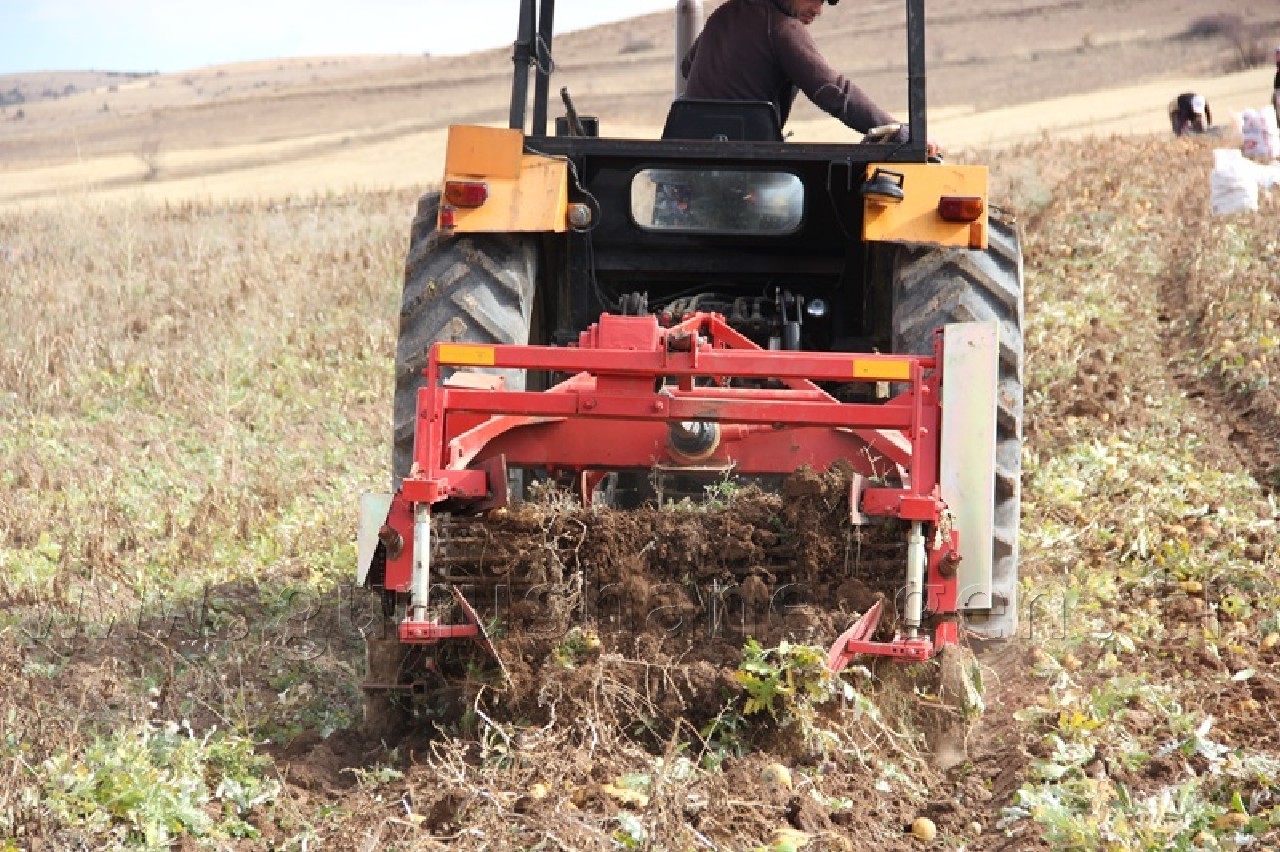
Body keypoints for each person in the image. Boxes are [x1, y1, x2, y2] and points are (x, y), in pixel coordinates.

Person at [680, 0, 940, 157]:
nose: (819, 9)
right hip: (742, 169)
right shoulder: (781, 27)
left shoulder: (723, 14)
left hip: (680, 159)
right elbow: (834, 92)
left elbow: (687, 67)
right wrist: (899, 132)